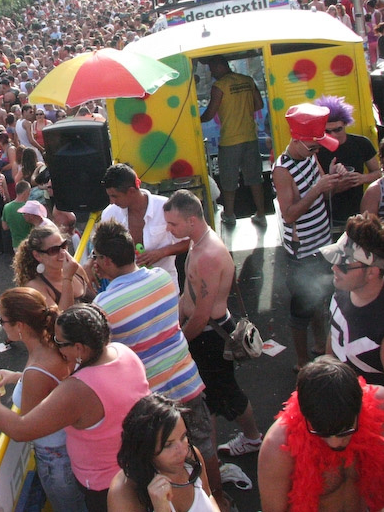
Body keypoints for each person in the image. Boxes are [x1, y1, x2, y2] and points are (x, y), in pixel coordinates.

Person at [0, 304, 150, 512]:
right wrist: (18, 377)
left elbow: (21, 429)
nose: (56, 348)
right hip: (136, 464)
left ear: (79, 348)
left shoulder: (78, 389)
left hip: (103, 486)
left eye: (60, 343)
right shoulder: (122, 352)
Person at [91, 219, 226, 505]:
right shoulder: (162, 279)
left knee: (162, 462)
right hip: (187, 380)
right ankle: (218, 500)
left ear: (105, 261)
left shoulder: (103, 305)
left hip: (153, 401)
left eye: (96, 256)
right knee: (202, 447)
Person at [163, 190, 264, 459]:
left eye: (173, 224)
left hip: (210, 335)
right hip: (204, 333)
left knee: (223, 393)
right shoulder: (196, 243)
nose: (169, 229)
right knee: (213, 395)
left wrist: (179, 343)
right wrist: (177, 323)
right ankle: (220, 453)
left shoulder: (207, 254)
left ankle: (249, 440)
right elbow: (188, 295)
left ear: (192, 221)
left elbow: (202, 314)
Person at [0, 288, 86, 511]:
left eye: (3, 320)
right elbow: (52, 385)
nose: (1, 325)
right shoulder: (55, 345)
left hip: (56, 461)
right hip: (72, 449)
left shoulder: (37, 369)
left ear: (20, 325)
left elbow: (24, 428)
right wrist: (16, 377)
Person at [257, 357, 384, 512]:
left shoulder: (383, 407)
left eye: (345, 431)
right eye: (321, 433)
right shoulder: (278, 448)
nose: (335, 443)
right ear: (305, 415)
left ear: (360, 408)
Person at [272, 104, 341, 371]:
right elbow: (289, 214)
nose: (317, 152)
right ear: (298, 141)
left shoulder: (309, 156)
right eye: (313, 147)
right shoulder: (282, 170)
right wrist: (317, 188)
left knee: (321, 299)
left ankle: (320, 344)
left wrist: (334, 178)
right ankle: (302, 361)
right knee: (301, 309)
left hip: (323, 242)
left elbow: (323, 189)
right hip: (303, 252)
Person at [322, 214, 384, 391]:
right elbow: (334, 337)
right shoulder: (345, 288)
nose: (334, 268)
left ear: (371, 272)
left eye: (344, 265)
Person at [109, 393, 221, 512]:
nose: (182, 451)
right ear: (144, 448)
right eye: (168, 445)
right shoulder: (123, 494)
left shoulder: (192, 457)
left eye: (183, 437)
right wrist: (161, 508)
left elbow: (208, 496)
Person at [197, 58, 266, 227]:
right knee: (255, 178)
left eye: (212, 68)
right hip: (250, 137)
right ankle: (261, 213)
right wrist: (242, 109)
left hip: (230, 141)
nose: (212, 73)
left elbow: (210, 113)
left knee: (229, 180)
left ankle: (229, 215)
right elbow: (259, 104)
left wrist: (195, 120)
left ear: (220, 66)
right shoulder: (247, 81)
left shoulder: (219, 86)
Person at [101, 163, 188, 286]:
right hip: (128, 288)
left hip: (164, 285)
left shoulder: (165, 208)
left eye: (115, 196)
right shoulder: (109, 214)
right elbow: (102, 249)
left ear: (131, 191)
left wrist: (162, 252)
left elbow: (190, 241)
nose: (111, 201)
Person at [313, 96, 380, 232]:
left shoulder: (361, 143)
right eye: (327, 131)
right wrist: (336, 185)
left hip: (359, 214)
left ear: (345, 124)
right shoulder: (316, 150)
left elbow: (380, 173)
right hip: (330, 218)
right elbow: (319, 192)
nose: (333, 135)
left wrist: (362, 178)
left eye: (338, 129)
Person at [13, 225, 92, 309]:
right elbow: (61, 316)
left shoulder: (76, 269)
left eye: (63, 245)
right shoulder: (35, 286)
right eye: (54, 250)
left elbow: (96, 298)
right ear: (37, 256)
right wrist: (67, 279)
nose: (63, 252)